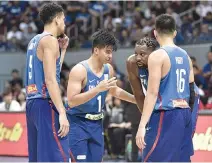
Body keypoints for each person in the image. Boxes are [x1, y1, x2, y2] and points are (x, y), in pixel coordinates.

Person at [66, 29, 136, 162]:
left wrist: (135, 99)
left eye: (111, 52)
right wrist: (97, 89)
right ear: (96, 50)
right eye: (107, 51)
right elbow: (71, 101)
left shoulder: (108, 69)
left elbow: (114, 90)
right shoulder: (79, 70)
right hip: (78, 123)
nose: (110, 56)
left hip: (97, 123)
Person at [127, 36, 200, 161]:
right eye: (136, 53)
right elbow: (139, 95)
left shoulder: (160, 60)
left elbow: (188, 92)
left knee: (179, 148)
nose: (138, 57)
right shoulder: (132, 63)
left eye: (143, 54)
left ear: (154, 53)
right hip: (166, 105)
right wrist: (146, 119)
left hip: (186, 101)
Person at [25, 3, 70, 162]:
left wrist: (62, 51)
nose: (65, 23)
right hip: (46, 104)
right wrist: (62, 112)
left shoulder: (34, 40)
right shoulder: (50, 41)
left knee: (39, 158)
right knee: (58, 156)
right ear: (57, 19)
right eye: (63, 19)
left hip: (32, 103)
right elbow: (51, 80)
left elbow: (51, 71)